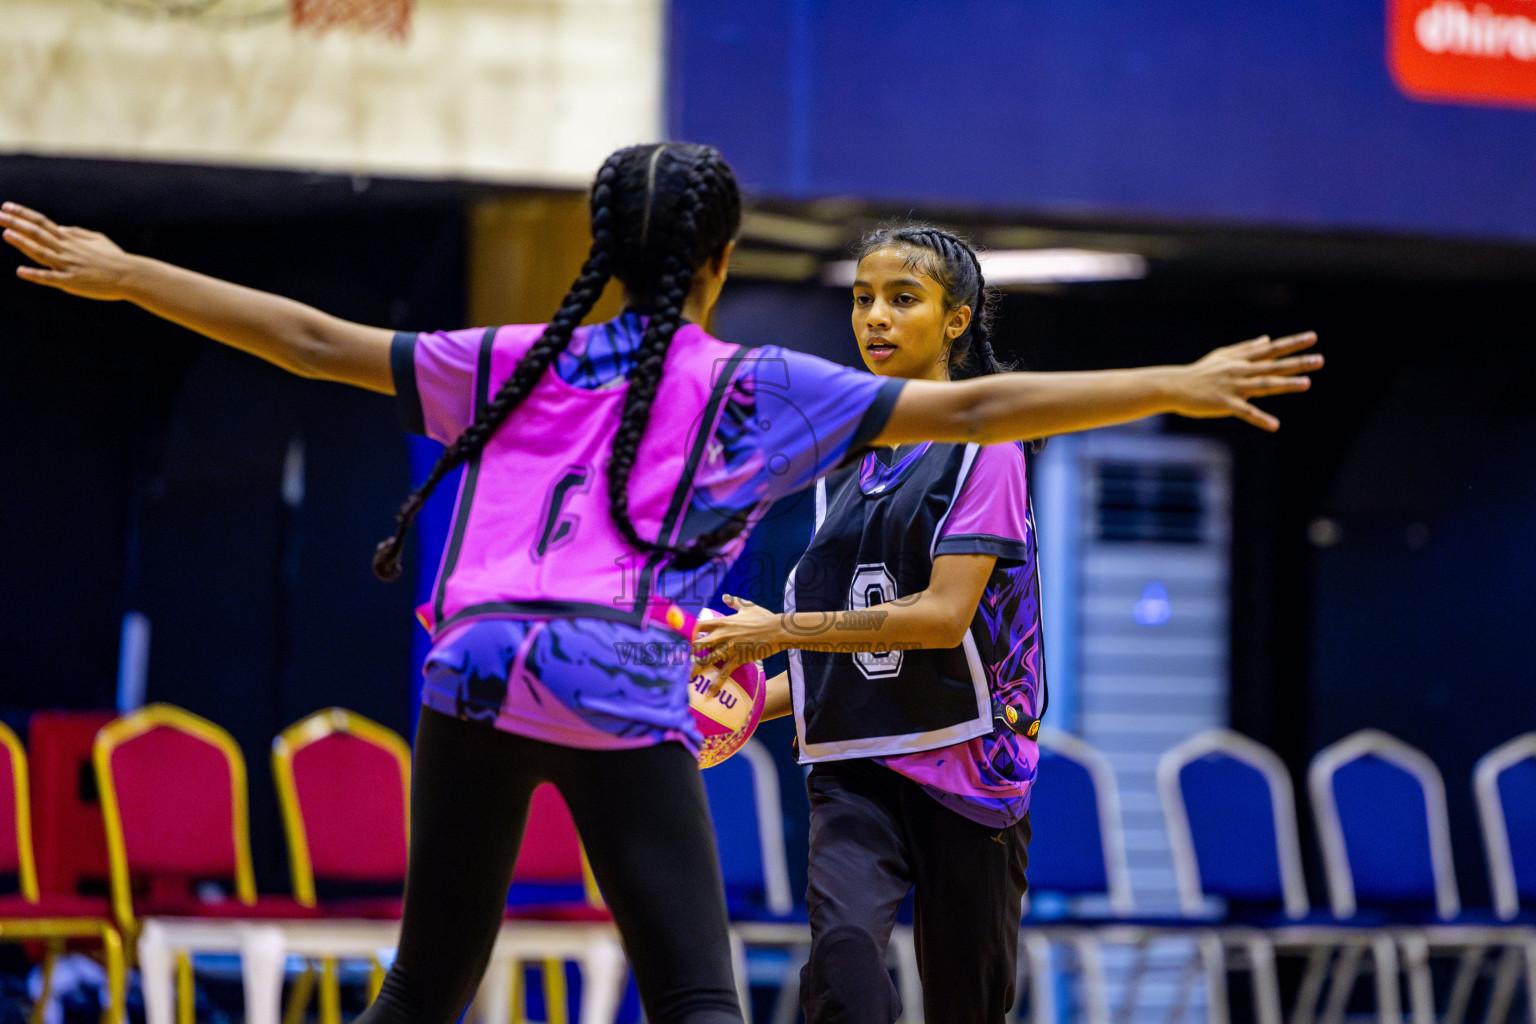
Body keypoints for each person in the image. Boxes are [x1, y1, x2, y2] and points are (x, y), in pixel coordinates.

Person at [2, 144, 1319, 1024]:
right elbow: (988, 401)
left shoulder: (511, 356)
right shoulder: (753, 387)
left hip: (464, 666)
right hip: (608, 672)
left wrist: (123, 277)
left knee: (428, 975)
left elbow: (306, 339)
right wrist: (1173, 383)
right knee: (696, 993)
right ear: (720, 259)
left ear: (601, 246)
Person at [691, 224, 1316, 1023]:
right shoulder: (844, 466)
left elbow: (939, 619)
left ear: (957, 319)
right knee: (842, 972)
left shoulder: (988, 449)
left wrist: (779, 631)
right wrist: (732, 702)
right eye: (862, 299)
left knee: (968, 1004)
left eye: (901, 299)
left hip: (968, 773)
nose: (875, 317)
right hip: (857, 770)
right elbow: (840, 653)